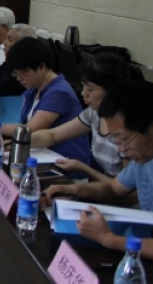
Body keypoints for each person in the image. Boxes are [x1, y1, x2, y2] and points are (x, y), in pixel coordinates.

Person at [43, 81, 153, 259]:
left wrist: (109, 239)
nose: (121, 149)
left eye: (125, 139)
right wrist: (71, 189)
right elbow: (113, 188)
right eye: (116, 140)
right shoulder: (143, 159)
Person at [0, 37, 90, 164]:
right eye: (16, 74)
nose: (18, 79)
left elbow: (29, 130)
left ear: (41, 67)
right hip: (39, 153)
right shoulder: (35, 87)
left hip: (63, 163)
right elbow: (10, 112)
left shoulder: (58, 93)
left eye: (22, 73)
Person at [30, 53, 142, 182]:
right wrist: (20, 141)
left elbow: (125, 188)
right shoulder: (94, 113)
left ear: (112, 91)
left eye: (90, 89)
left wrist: (83, 169)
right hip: (104, 186)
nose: (83, 93)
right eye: (83, 86)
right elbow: (53, 135)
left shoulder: (127, 128)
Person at [0, 24, 36, 99]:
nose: (4, 43)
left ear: (22, 45)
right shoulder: (8, 63)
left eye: (9, 40)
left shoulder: (21, 71)